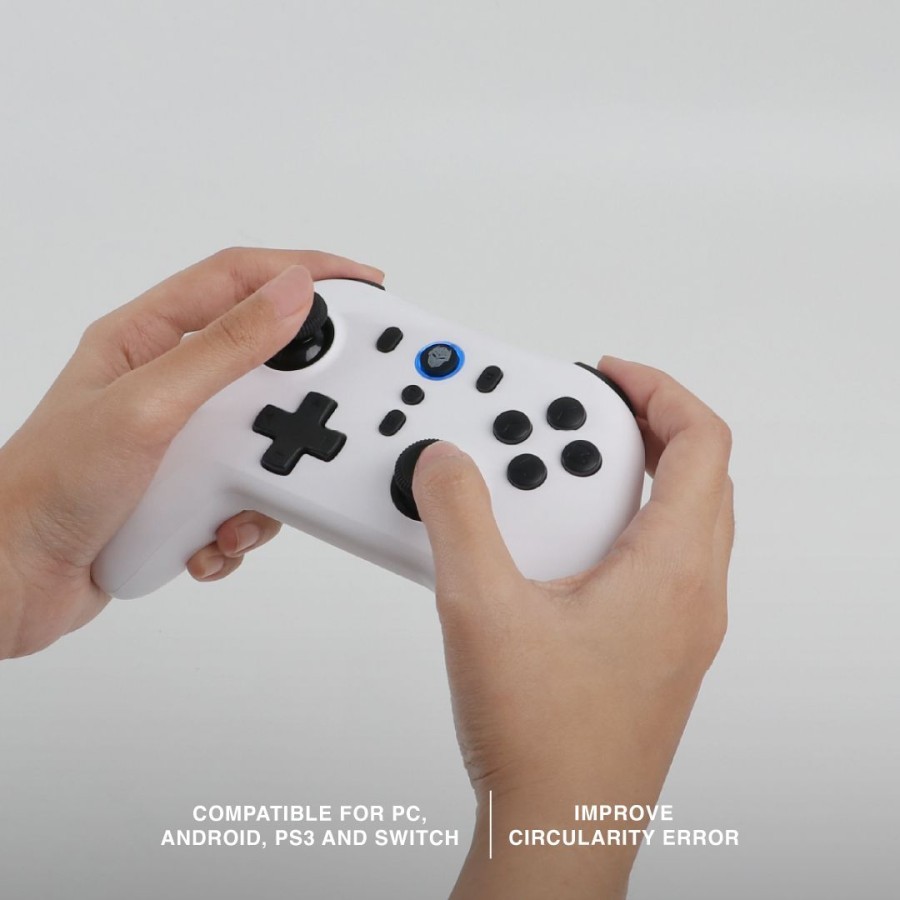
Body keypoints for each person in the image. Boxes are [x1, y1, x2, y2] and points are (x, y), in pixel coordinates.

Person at [0, 248, 734, 899]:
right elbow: (120, 567)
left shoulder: (333, 324)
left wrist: (18, 557)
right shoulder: (294, 348)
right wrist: (573, 806)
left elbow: (121, 569)